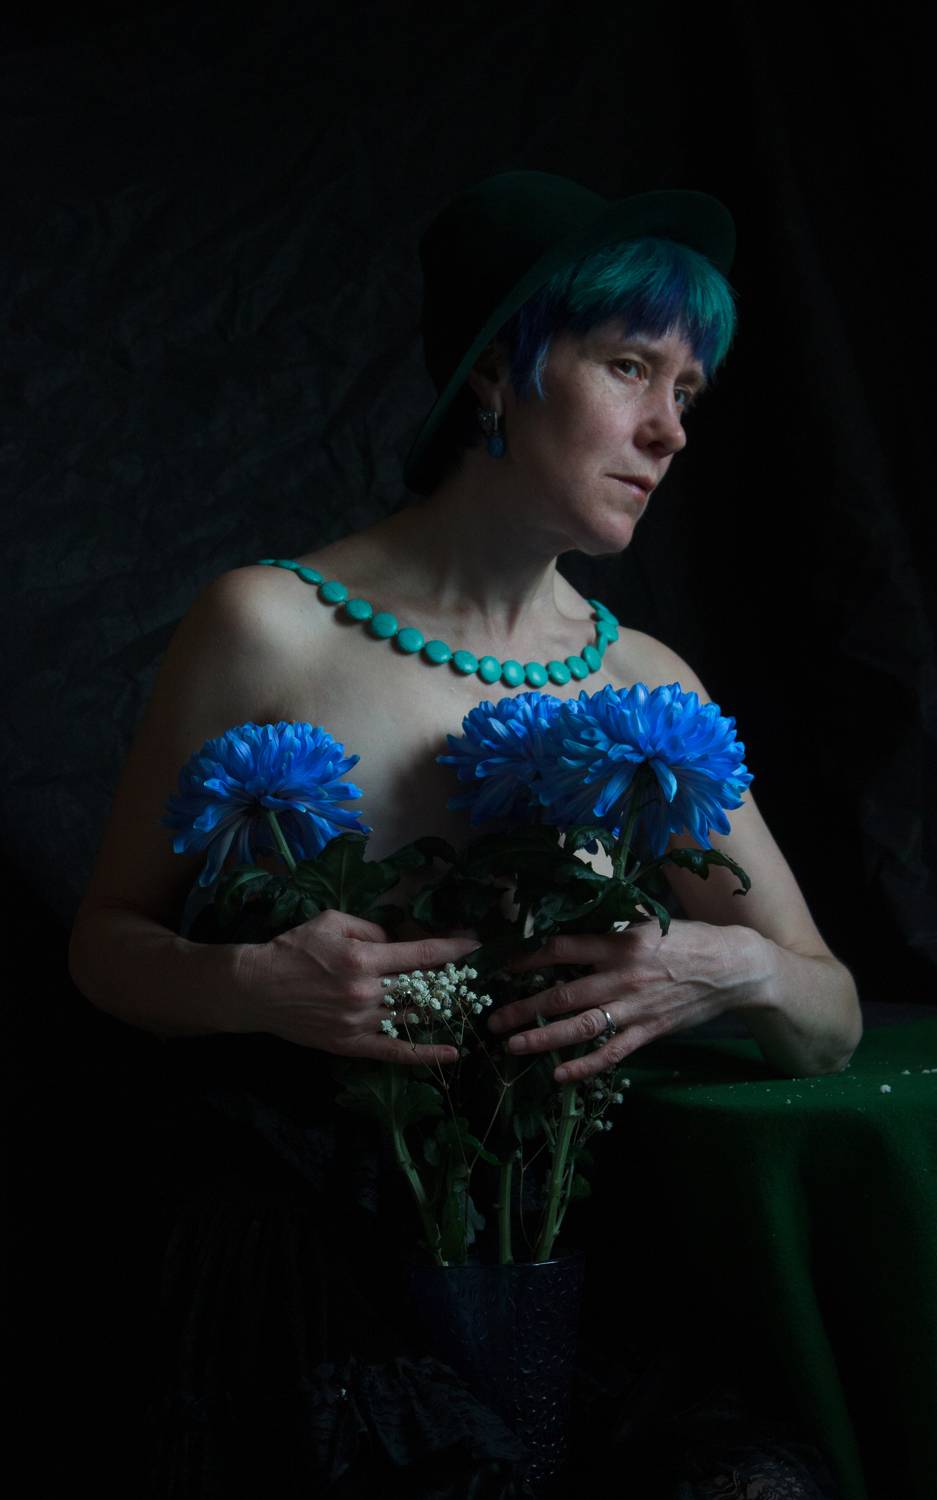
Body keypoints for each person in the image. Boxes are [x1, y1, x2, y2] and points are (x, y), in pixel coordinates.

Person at [69, 170, 858, 1498]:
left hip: (568, 1239)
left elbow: (829, 1018)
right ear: (497, 370)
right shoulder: (269, 625)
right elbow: (103, 942)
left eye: (688, 391)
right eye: (630, 368)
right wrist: (249, 982)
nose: (669, 430)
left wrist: (728, 969)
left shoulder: (645, 687)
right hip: (308, 1246)